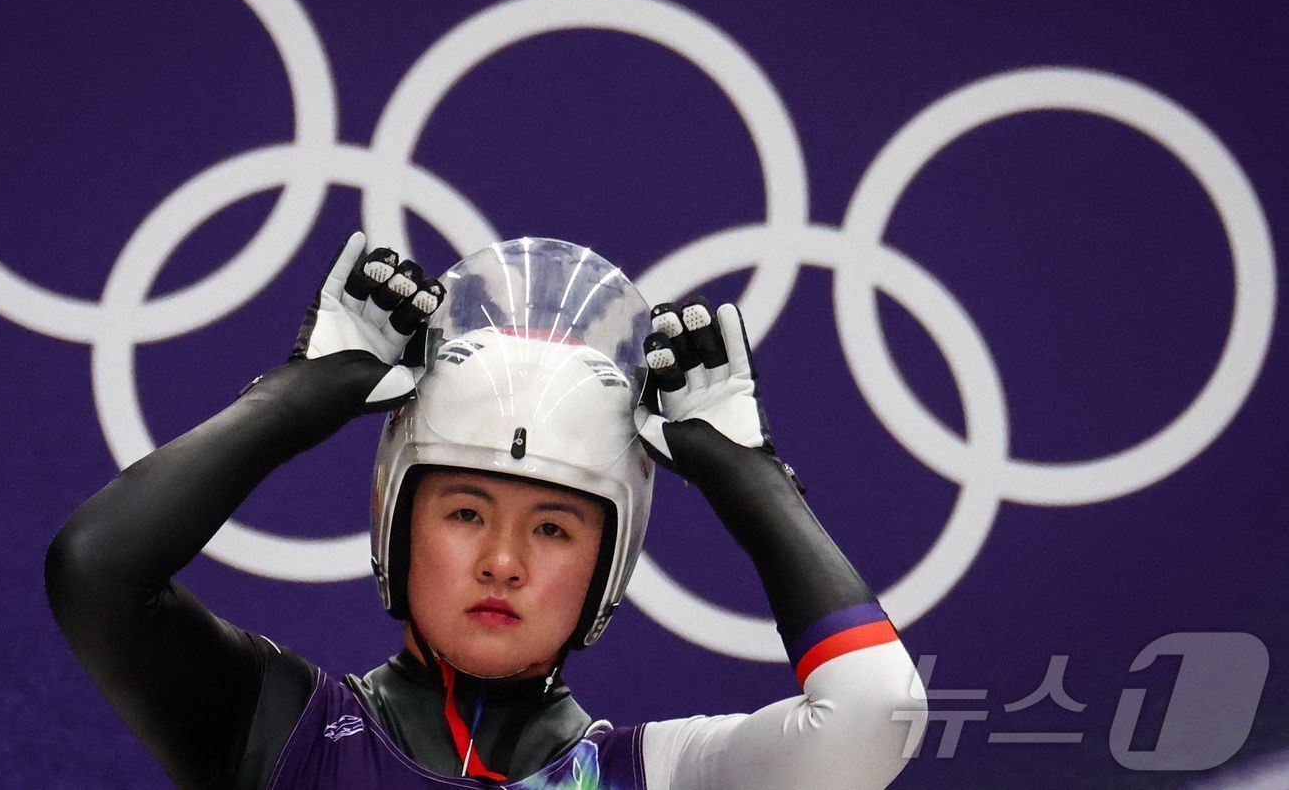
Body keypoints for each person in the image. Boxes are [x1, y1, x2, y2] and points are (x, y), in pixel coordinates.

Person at [46, 232, 927, 788]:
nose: (503, 559)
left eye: (552, 527)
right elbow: (97, 573)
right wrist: (296, 396)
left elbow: (874, 715)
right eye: (466, 512)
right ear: (398, 522)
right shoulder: (281, 736)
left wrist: (748, 475)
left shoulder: (652, 777)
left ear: (606, 564)